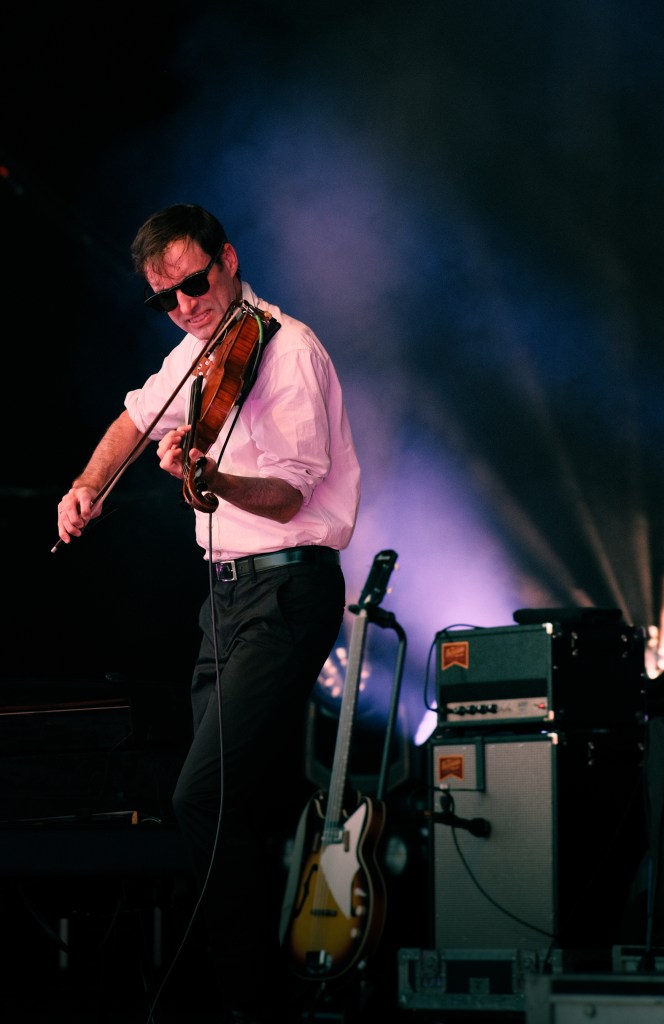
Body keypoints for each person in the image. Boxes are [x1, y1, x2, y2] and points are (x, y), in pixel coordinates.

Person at [55, 203, 361, 1024]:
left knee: (203, 796)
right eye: (166, 298)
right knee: (230, 805)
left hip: (287, 588)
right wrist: (86, 485)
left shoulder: (287, 349)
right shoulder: (198, 350)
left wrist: (212, 479)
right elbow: (134, 417)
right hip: (223, 596)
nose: (185, 306)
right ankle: (264, 987)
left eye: (194, 284)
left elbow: (289, 493)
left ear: (227, 259)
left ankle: (248, 1005)